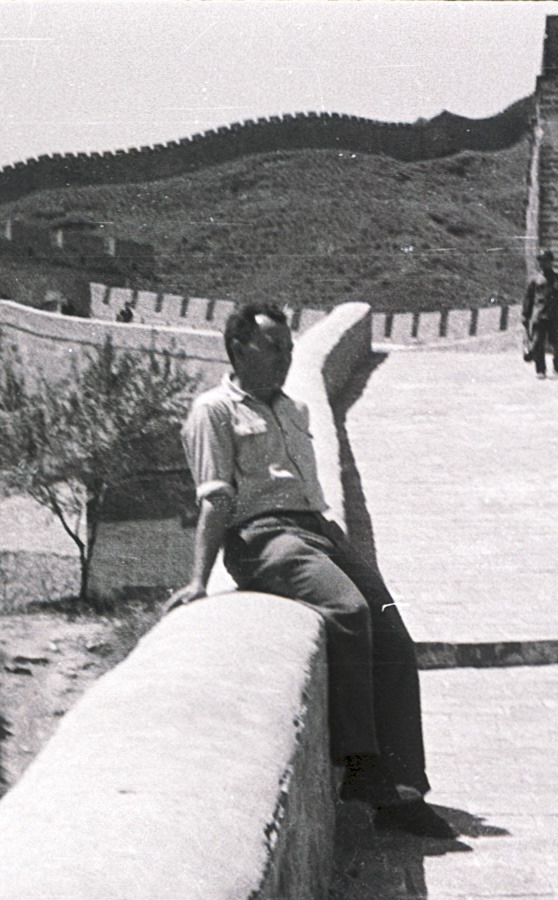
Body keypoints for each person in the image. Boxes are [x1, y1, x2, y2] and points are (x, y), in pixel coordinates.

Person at [166, 302, 455, 840]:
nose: (285, 357)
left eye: (289, 348)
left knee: (391, 627)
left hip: (320, 530)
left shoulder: (294, 407)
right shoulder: (213, 411)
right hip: (264, 537)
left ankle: (406, 789)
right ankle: (363, 766)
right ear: (237, 349)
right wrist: (198, 581)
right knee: (347, 610)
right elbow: (215, 500)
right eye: (272, 347)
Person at [522, 248, 558, 379]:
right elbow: (528, 298)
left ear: (551, 262)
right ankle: (540, 369)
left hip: (555, 315)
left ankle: (556, 364)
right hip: (539, 315)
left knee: (557, 342)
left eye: (546, 260)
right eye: (540, 260)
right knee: (538, 342)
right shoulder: (535, 280)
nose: (543, 263)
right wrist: (525, 315)